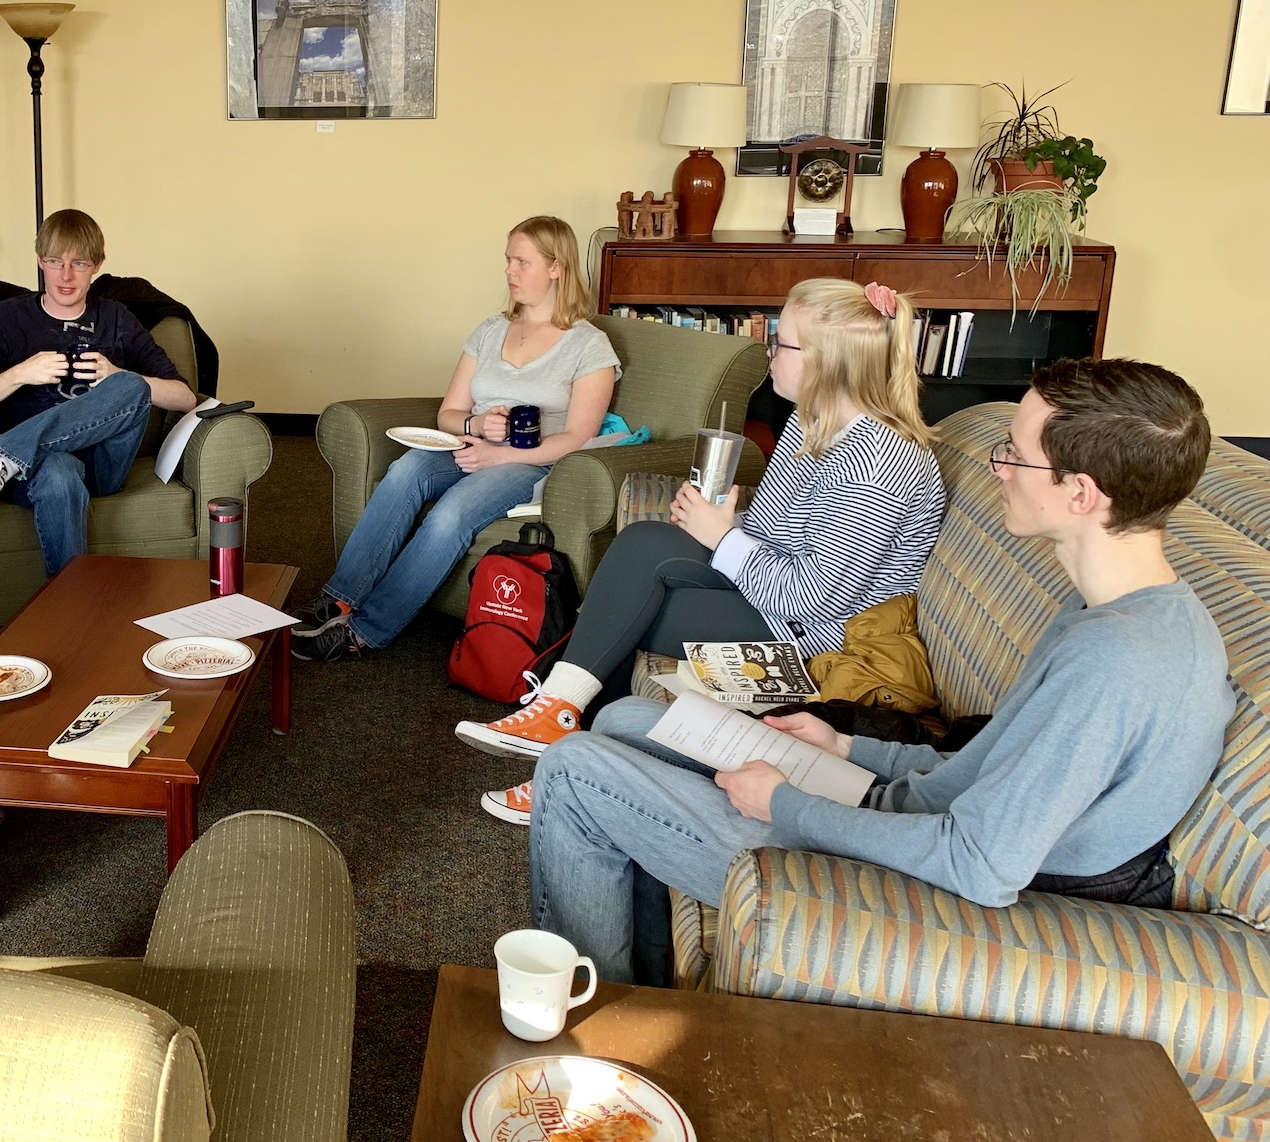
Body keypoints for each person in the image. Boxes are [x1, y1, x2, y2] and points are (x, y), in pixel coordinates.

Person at [527, 356, 1231, 985]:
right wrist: (847, 747)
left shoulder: (1115, 664)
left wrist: (785, 805)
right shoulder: (1131, 612)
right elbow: (991, 766)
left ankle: (583, 1019)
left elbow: (978, 865)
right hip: (913, 822)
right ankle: (641, 988)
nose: (999, 469)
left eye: (1013, 456)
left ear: (1081, 493)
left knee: (574, 768)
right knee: (623, 718)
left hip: (917, 892)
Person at [464, 279, 945, 824]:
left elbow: (814, 600)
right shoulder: (813, 424)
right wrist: (719, 523)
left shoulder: (876, 458)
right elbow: (773, 531)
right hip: (771, 601)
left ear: (828, 362)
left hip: (816, 640)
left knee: (634, 614)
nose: (770, 353)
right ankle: (562, 722)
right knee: (644, 543)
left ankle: (565, 754)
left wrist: (720, 535)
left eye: (781, 343)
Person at [290, 215, 619, 662]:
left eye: (522, 261)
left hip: (532, 462)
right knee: (405, 469)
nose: (509, 271)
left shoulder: (589, 345)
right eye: (508, 260)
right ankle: (341, 598)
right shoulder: (489, 330)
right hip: (471, 447)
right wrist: (477, 427)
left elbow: (579, 437)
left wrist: (498, 458)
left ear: (557, 267)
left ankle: (364, 631)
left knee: (453, 512)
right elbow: (449, 413)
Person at [0, 210, 197, 576]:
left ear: (97, 266)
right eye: (54, 261)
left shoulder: (116, 318)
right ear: (40, 261)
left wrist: (116, 374)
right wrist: (19, 374)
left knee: (131, 384)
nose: (65, 275)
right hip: (38, 470)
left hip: (103, 464)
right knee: (58, 473)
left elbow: (185, 398)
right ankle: (70, 609)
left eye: (79, 263)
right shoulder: (5, 320)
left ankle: (1, 460)